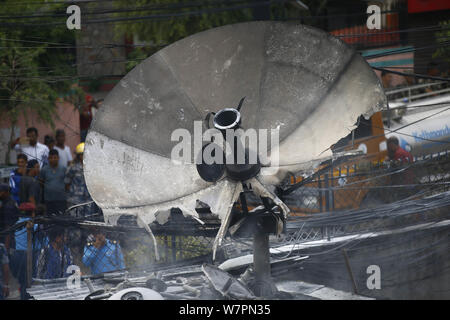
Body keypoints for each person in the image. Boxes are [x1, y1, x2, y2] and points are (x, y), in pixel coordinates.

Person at [65, 143, 94, 218]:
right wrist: (72, 195)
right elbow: (67, 183)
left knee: (88, 219)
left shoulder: (92, 167)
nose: (84, 156)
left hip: (88, 199)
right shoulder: (73, 168)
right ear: (78, 155)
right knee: (75, 220)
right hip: (75, 199)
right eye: (82, 154)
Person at [39, 149, 67, 216]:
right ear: (48, 158)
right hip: (49, 199)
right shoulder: (44, 170)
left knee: (61, 218)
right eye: (51, 158)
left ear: (58, 158)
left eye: (55, 157)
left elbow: (67, 182)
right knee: (50, 218)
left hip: (61, 199)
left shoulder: (63, 169)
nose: (53, 159)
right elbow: (41, 183)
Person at [0, 183, 19, 253]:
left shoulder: (9, 206)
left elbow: (8, 227)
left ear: (7, 192)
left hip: (7, 241)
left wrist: (6, 248)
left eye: (1, 191)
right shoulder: (6, 201)